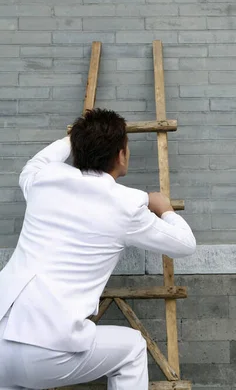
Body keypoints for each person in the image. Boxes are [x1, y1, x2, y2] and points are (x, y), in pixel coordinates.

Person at [0, 108, 196, 390]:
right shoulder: (125, 205)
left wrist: (80, 138)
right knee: (132, 350)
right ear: (121, 154)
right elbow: (185, 244)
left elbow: (33, 164)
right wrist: (164, 210)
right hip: (48, 350)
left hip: (1, 344)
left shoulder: (44, 180)